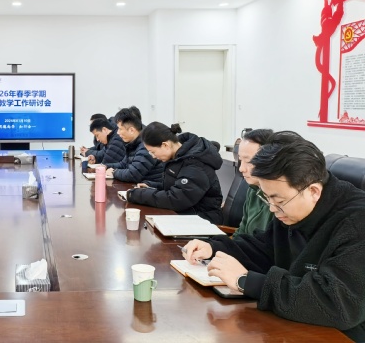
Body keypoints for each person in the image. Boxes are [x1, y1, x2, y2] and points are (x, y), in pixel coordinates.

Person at [183, 134, 365, 341]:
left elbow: (338, 304)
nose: (272, 208)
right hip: (297, 323)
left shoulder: (357, 223)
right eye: (267, 198)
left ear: (313, 191)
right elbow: (265, 248)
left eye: (278, 200)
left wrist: (245, 281)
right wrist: (214, 248)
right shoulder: (292, 209)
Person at [124, 122, 224, 224]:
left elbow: (177, 199)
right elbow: (177, 186)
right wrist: (152, 186)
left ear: (165, 145)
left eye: (153, 152)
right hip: (188, 213)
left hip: (202, 220)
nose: (153, 156)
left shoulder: (195, 164)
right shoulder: (179, 157)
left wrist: (137, 195)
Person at [103, 109, 163, 184]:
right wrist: (105, 166)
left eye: (120, 129)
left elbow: (133, 175)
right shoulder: (133, 143)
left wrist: (114, 172)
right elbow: (123, 164)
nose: (118, 132)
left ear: (131, 130)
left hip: (151, 186)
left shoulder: (146, 145)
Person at [232, 129, 274, 238]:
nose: (241, 169)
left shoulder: (279, 199)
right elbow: (241, 232)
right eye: (240, 160)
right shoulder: (253, 189)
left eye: (248, 161)